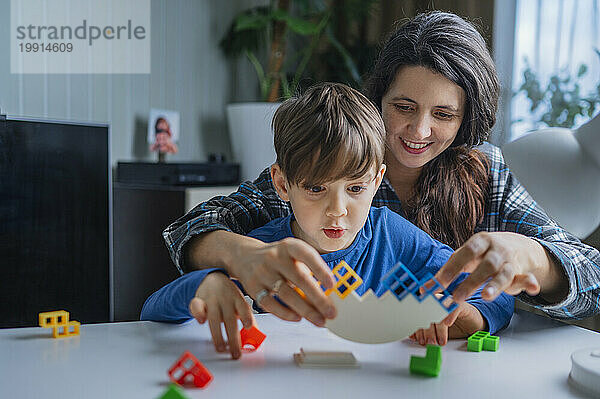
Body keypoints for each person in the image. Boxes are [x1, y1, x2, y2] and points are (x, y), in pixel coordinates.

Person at [163, 11, 600, 329]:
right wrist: (237, 255)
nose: (419, 130)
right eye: (404, 107)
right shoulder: (332, 161)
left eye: (444, 115)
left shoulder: (486, 174)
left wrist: (535, 259)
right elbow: (191, 228)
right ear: (378, 98)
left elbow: (592, 278)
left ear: (466, 119)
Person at [142, 83, 514, 358]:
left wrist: (460, 315)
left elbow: (493, 296)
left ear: (377, 180)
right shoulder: (262, 253)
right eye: (317, 189)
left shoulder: (395, 237)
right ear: (281, 184)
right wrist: (204, 284)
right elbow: (152, 312)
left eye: (355, 188)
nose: (338, 210)